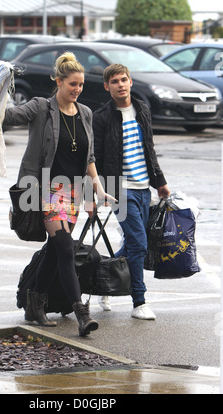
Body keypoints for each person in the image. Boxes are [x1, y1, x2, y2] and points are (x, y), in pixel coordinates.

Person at [3, 52, 115, 336]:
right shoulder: (41, 107)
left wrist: (97, 189)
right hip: (47, 190)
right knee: (65, 248)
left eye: (80, 85)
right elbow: (10, 115)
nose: (77, 90)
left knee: (55, 251)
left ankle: (34, 304)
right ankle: (81, 314)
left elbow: (88, 157)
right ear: (58, 81)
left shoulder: (85, 113)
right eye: (72, 84)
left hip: (74, 191)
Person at [91, 64, 170, 320]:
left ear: (131, 81)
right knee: (139, 243)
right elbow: (95, 158)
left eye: (124, 80)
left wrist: (160, 180)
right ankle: (139, 301)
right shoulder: (102, 116)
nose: (120, 85)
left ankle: (104, 281)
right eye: (114, 81)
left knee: (132, 244)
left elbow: (149, 148)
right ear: (107, 86)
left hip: (143, 188)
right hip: (119, 189)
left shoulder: (142, 109)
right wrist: (98, 191)